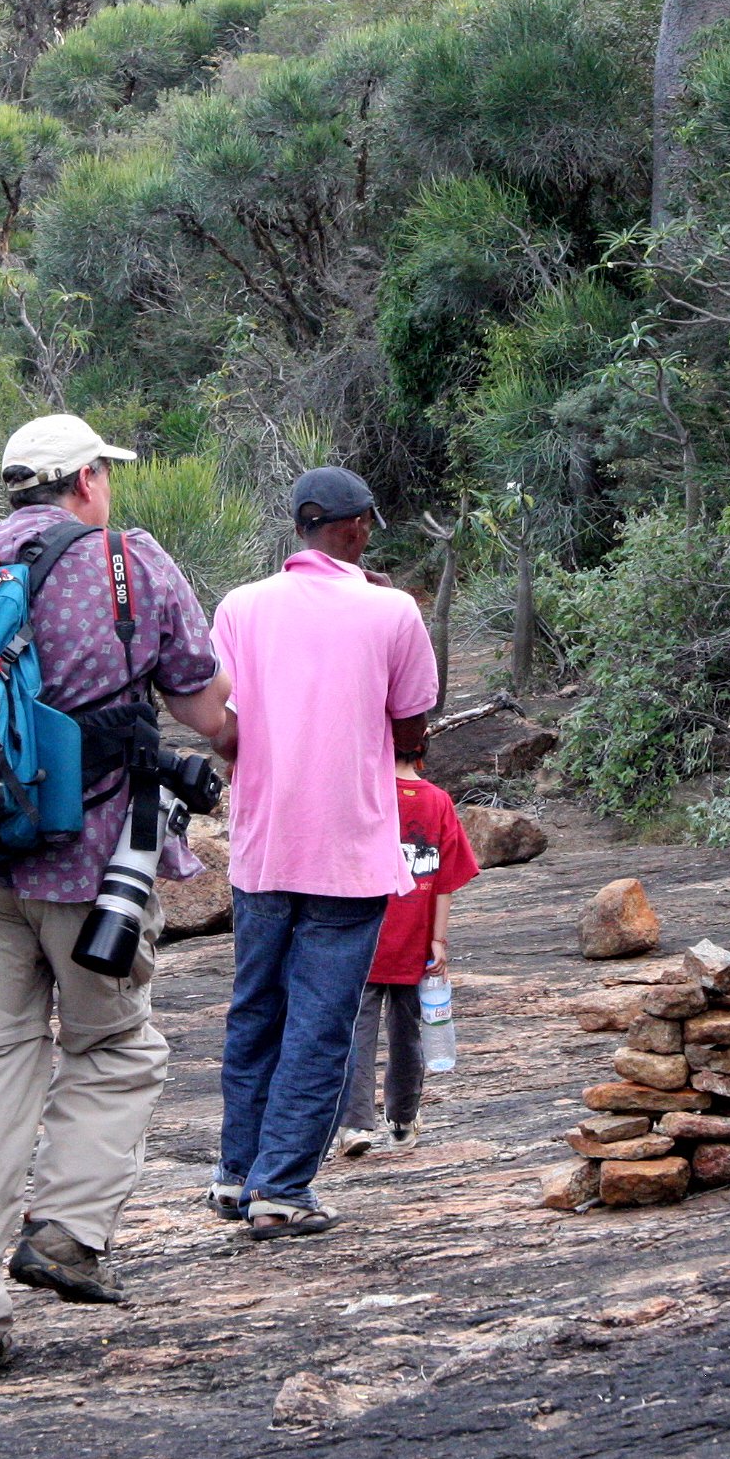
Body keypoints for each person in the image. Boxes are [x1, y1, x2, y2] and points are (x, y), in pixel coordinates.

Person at [0, 413, 231, 1389]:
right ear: (83, 482)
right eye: (102, 473)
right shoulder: (129, 565)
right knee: (116, 1046)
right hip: (91, 871)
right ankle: (67, 1230)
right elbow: (205, 706)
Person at [207, 466, 439, 1239]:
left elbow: (222, 723)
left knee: (257, 1009)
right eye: (369, 522)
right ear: (355, 527)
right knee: (321, 1020)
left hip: (263, 845)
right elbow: (411, 724)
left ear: (300, 526)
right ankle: (283, 1187)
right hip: (345, 847)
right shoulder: (392, 609)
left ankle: (237, 1172)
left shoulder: (241, 606)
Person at [334, 734, 480, 1158]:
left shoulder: (367, 796)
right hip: (415, 941)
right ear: (421, 753)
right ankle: (401, 1120)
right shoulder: (437, 802)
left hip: (362, 938)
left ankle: (353, 1124)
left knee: (355, 1033)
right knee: (407, 1032)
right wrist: (438, 939)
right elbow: (446, 880)